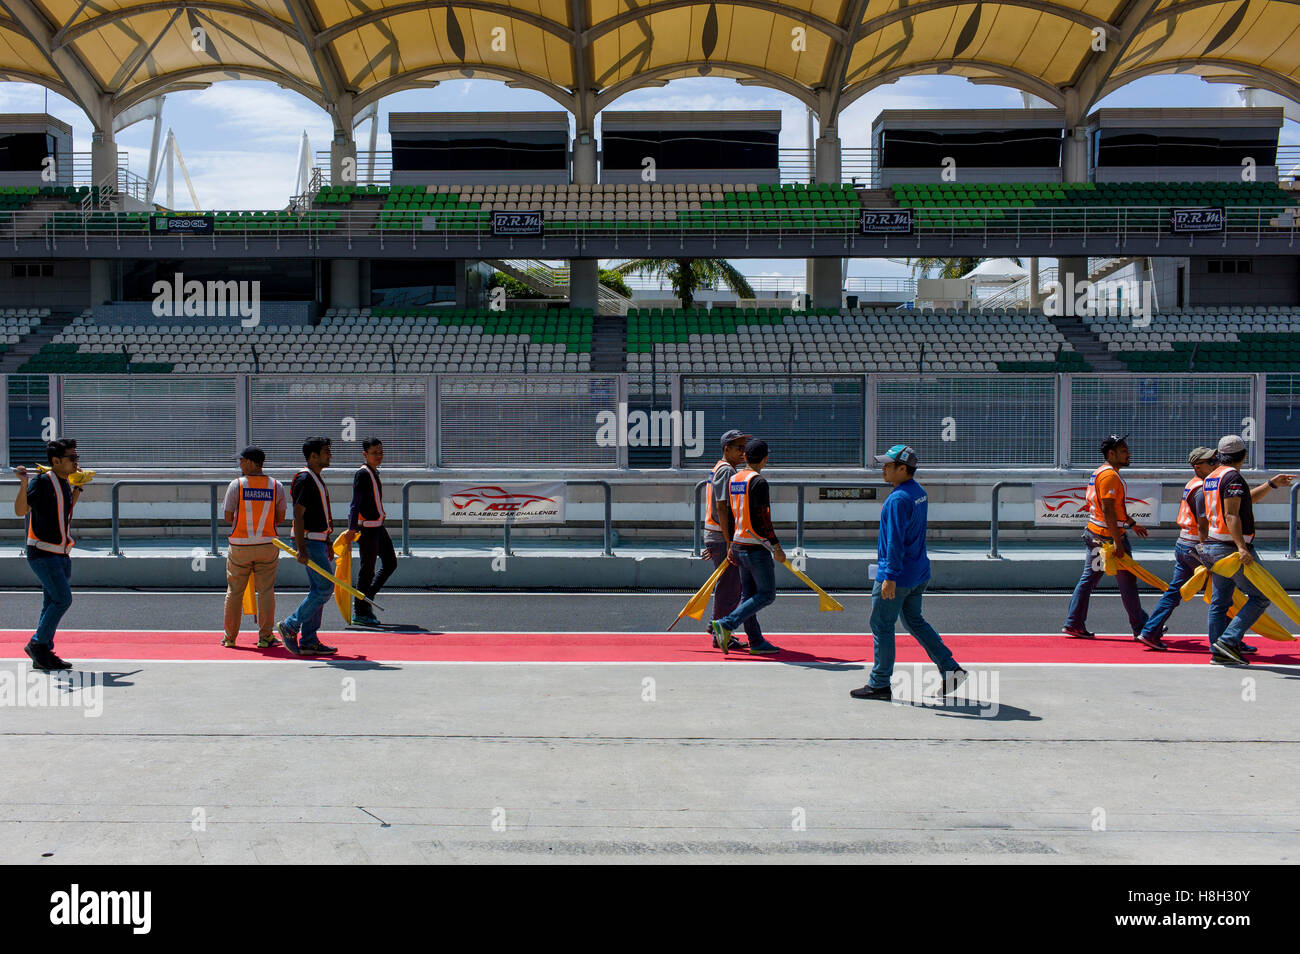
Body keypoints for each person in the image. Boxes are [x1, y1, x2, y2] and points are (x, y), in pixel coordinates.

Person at [851, 444, 966, 701]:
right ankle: (950, 668)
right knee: (914, 621)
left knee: (881, 624)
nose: (883, 469)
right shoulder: (918, 492)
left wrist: (889, 576)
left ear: (903, 469)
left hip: (898, 574)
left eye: (888, 465)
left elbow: (894, 541)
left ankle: (879, 683)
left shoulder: (898, 499)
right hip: (918, 571)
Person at [1199, 434, 1295, 666]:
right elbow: (1232, 513)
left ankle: (1219, 648)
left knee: (1221, 601)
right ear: (1243, 456)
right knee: (1261, 596)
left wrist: (1270, 484)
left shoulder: (1213, 477)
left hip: (1213, 544)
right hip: (1229, 548)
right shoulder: (1233, 477)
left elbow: (1243, 501)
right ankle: (1229, 641)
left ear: (1220, 455)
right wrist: (1242, 547)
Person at [1063, 433, 1149, 639]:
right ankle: (1142, 628)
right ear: (1111, 454)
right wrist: (1118, 542)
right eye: (1124, 451)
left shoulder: (1101, 472)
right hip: (1108, 539)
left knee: (1090, 579)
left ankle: (1073, 622)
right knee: (1127, 581)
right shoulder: (1110, 475)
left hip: (1096, 533)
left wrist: (1131, 523)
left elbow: (1114, 508)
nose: (1129, 454)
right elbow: (1108, 509)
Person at [1132, 447, 1217, 651]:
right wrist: (1206, 549)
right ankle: (1229, 639)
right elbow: (1203, 522)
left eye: (1216, 460)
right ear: (1198, 467)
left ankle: (1150, 631)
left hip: (1184, 544)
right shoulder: (1201, 489)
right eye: (1211, 462)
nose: (1216, 464)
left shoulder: (1193, 484)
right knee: (1224, 592)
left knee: (1174, 592)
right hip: (1195, 546)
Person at [15, 439, 86, 671]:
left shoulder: (64, 482)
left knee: (51, 602)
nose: (77, 462)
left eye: (77, 457)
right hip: (44, 553)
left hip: (60, 553)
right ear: (56, 461)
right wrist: (24, 484)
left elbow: (65, 511)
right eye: (72, 458)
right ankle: (37, 645)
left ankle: (43, 651)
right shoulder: (42, 482)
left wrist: (79, 488)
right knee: (62, 599)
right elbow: (20, 511)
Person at [709, 439, 784, 656]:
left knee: (748, 595)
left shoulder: (735, 479)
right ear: (765, 459)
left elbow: (731, 514)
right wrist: (776, 546)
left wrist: (731, 543)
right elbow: (763, 519)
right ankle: (726, 623)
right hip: (755, 546)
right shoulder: (758, 481)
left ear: (745, 457)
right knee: (767, 594)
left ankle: (756, 640)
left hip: (739, 543)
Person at [277, 436, 339, 656]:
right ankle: (290, 625)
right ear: (313, 456)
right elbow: (298, 514)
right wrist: (302, 549)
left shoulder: (316, 478)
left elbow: (318, 514)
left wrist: (327, 540)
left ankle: (309, 640)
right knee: (325, 588)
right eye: (325, 451)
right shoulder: (305, 479)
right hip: (309, 541)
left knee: (318, 589)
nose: (330, 454)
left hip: (317, 540)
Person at [222, 446, 287, 649]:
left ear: (250, 462)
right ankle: (265, 636)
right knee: (266, 590)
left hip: (240, 546)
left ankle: (230, 638)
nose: (240, 464)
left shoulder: (236, 485)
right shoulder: (277, 486)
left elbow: (227, 517)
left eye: (241, 461)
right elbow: (281, 518)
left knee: (234, 592)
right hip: (267, 544)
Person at [701, 429, 750, 651]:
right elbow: (722, 506)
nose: (743, 452)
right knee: (730, 587)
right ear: (726, 449)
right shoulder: (726, 471)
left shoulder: (721, 469)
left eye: (744, 447)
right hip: (722, 537)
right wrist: (729, 542)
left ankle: (719, 629)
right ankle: (719, 631)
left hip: (717, 536)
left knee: (729, 586)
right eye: (739, 447)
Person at [347, 437, 397, 627]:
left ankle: (366, 599)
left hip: (377, 527)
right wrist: (352, 528)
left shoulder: (374, 472)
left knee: (390, 563)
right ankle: (360, 611)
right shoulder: (362, 474)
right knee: (367, 570)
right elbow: (355, 504)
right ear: (365, 454)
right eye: (374, 453)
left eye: (381, 452)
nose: (379, 456)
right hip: (367, 529)